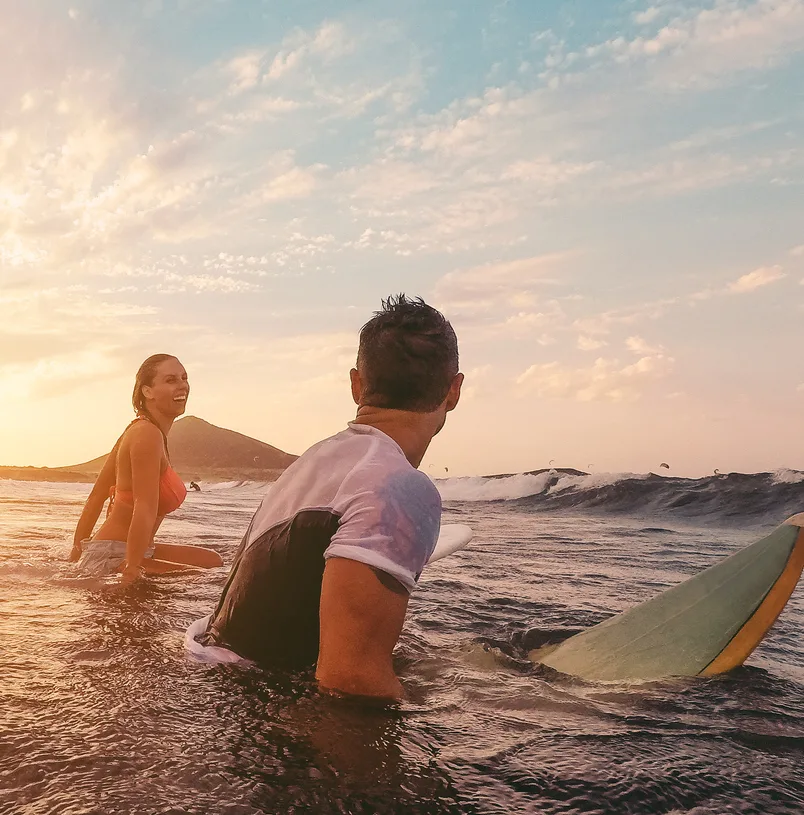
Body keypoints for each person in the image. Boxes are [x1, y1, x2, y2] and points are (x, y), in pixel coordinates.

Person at [197, 295, 463, 700]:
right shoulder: (400, 487)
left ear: (357, 385)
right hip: (270, 728)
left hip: (219, 691)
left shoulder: (311, 463)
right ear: (454, 390)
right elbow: (349, 680)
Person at [69, 354, 223, 583]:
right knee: (210, 580)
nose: (182, 385)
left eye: (184, 377)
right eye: (170, 380)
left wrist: (76, 555)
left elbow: (96, 496)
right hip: (115, 554)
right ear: (147, 391)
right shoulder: (146, 434)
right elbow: (144, 507)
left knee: (213, 562)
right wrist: (132, 570)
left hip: (126, 550)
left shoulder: (142, 431)